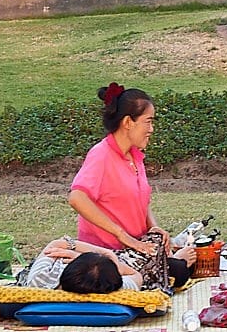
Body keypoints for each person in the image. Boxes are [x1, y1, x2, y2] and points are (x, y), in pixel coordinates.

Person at [68, 83, 195, 289]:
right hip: (105, 255)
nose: (151, 129)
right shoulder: (101, 155)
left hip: (135, 250)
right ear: (128, 122)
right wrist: (123, 236)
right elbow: (77, 198)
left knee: (181, 267)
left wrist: (153, 227)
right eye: (148, 122)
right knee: (178, 269)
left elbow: (141, 202)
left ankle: (167, 264)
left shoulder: (135, 157)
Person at [21, 237, 142, 292]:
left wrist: (101, 252)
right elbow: (135, 274)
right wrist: (115, 265)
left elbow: (56, 244)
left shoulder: (40, 280)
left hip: (61, 259)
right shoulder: (118, 289)